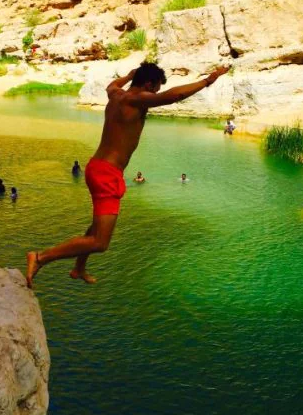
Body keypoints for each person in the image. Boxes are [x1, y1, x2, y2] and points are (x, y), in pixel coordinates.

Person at [26, 61, 230, 287]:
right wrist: (208, 81)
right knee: (100, 242)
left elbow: (111, 85)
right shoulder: (136, 99)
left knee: (96, 226)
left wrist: (128, 75)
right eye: (155, 90)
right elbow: (174, 96)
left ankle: (79, 267)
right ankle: (40, 257)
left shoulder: (116, 95)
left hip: (99, 167)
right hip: (106, 174)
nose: (155, 95)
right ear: (149, 84)